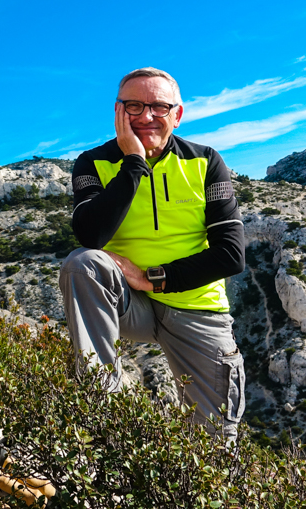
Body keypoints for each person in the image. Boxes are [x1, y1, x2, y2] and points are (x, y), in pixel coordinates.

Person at [59, 67, 246, 441]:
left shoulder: (206, 162)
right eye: (133, 106)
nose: (145, 116)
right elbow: (91, 234)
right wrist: (133, 163)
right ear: (118, 112)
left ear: (177, 115)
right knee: (83, 264)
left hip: (195, 307)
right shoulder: (92, 163)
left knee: (214, 445)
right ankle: (100, 417)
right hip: (128, 305)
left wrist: (153, 277)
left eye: (159, 107)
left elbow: (231, 255)